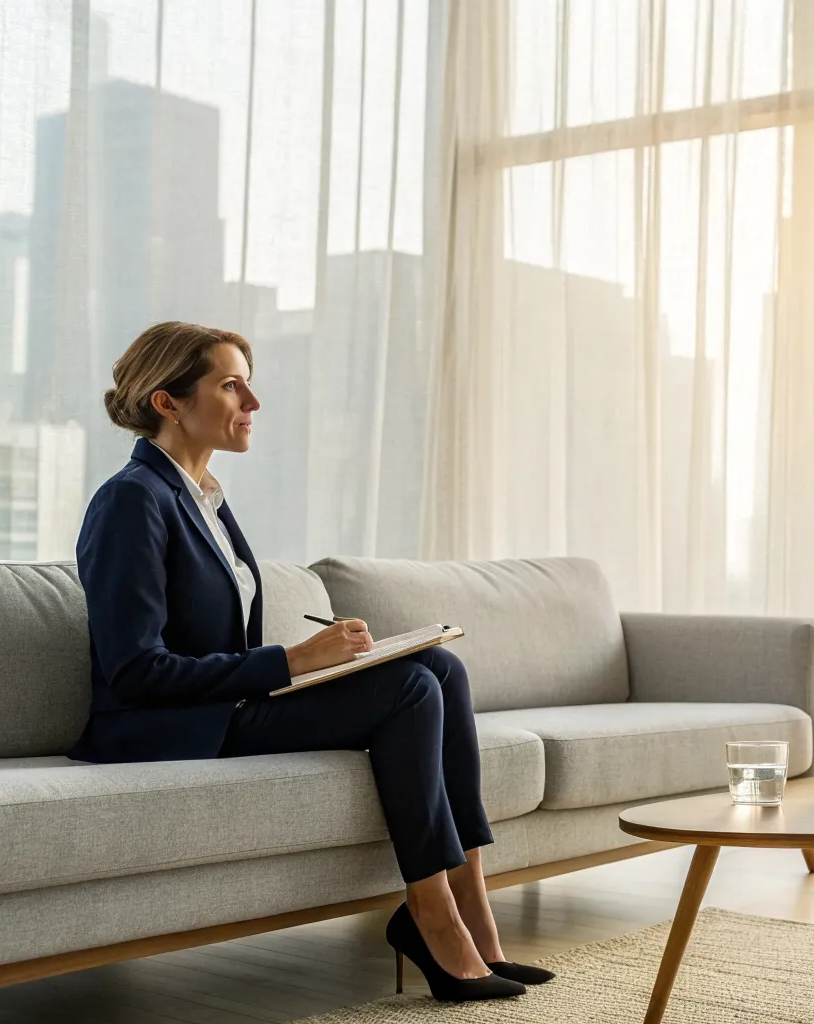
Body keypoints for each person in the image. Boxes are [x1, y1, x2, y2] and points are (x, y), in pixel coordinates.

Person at [68, 321, 544, 1003]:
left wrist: (326, 664)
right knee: (410, 689)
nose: (252, 403)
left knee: (439, 670)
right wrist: (291, 661)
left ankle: (474, 909)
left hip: (226, 710)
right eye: (231, 385)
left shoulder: (206, 500)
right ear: (168, 402)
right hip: (165, 726)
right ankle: (432, 916)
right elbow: (136, 672)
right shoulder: (131, 501)